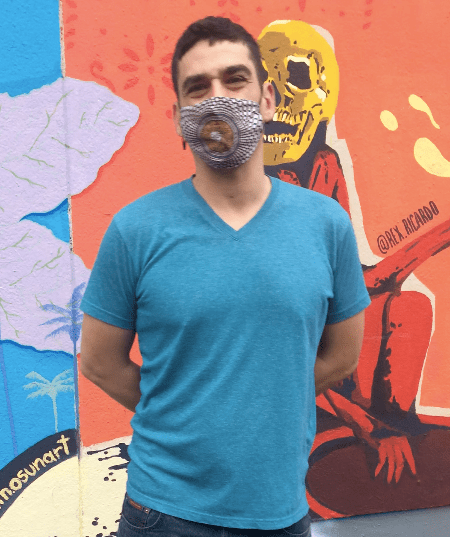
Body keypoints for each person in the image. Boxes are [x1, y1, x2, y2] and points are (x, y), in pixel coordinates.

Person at [80, 16, 371, 537]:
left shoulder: (327, 225)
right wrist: (186, 413)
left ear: (267, 99)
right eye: (197, 87)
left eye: (235, 80)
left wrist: (262, 400)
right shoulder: (134, 229)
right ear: (178, 118)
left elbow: (342, 357)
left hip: (280, 512)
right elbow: (100, 363)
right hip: (163, 513)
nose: (217, 97)